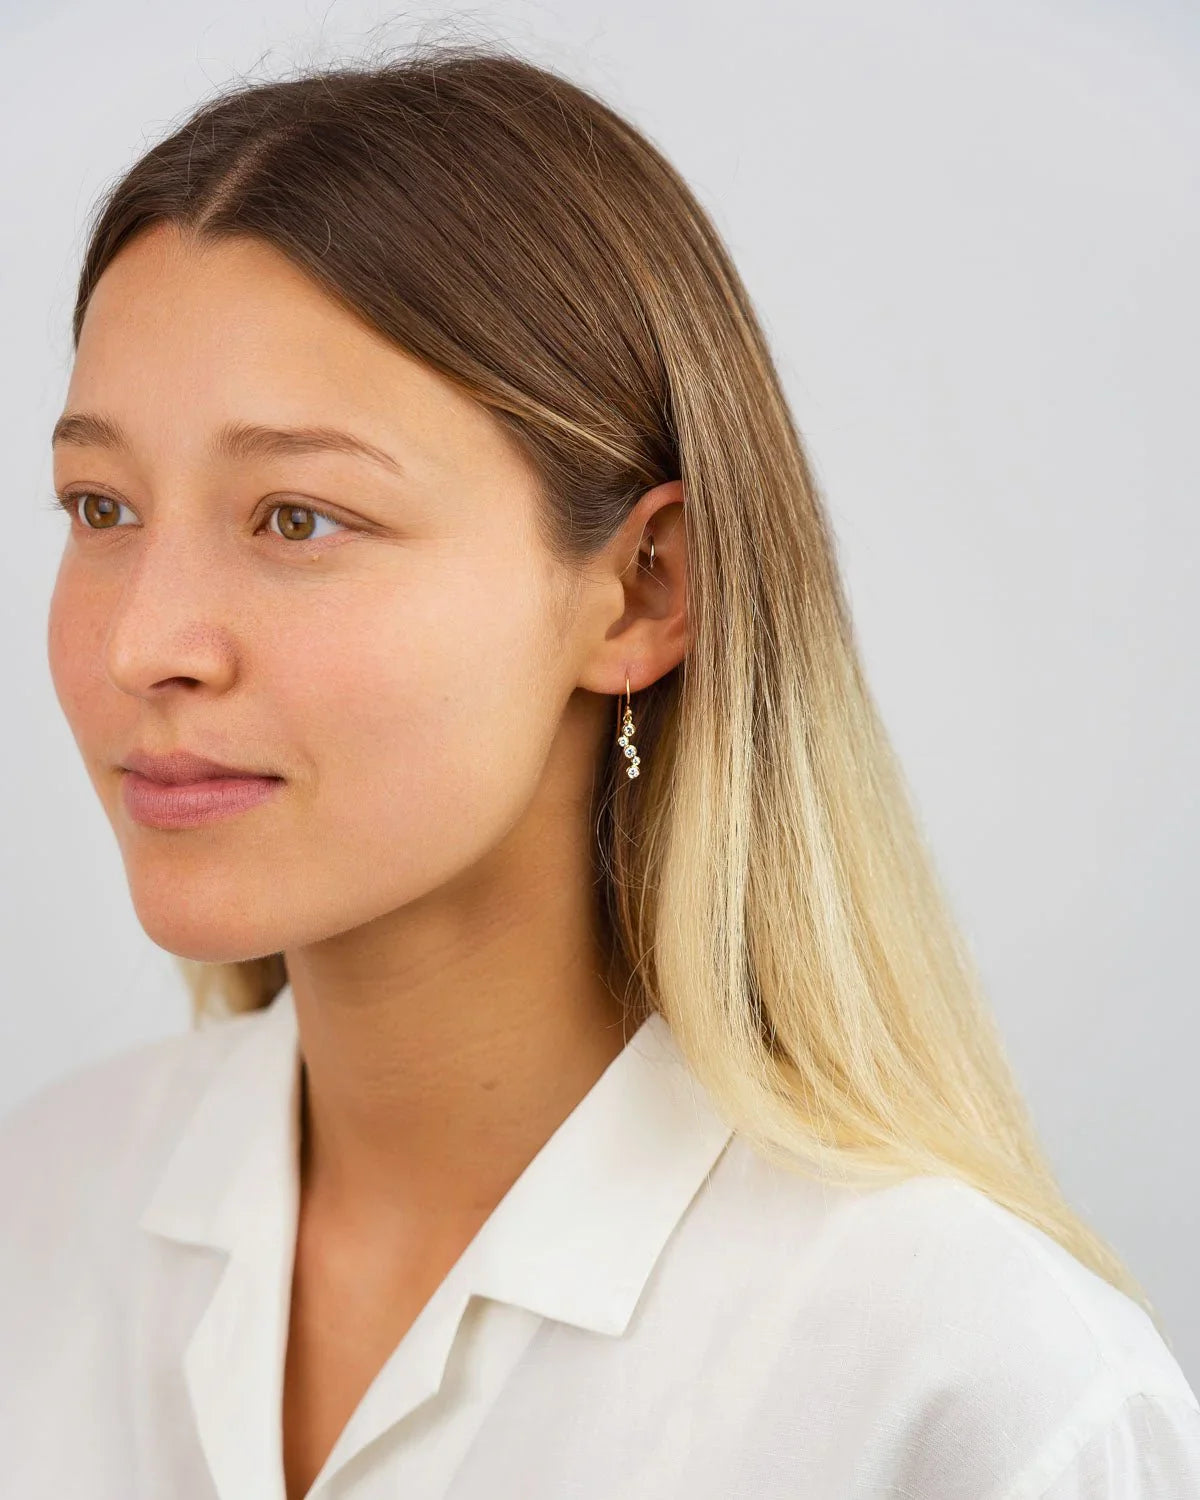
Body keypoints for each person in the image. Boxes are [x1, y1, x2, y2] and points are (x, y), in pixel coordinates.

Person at [2, 37, 1197, 1500]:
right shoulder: (34, 1216)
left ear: (642, 590)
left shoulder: (961, 1388)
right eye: (101, 503)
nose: (143, 645)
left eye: (297, 518)